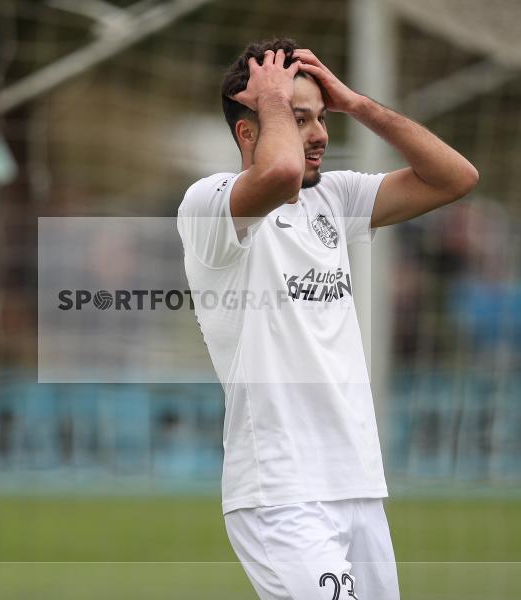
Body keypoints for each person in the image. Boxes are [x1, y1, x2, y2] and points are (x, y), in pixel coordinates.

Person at [176, 38, 478, 600]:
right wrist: (269, 100)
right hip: (281, 492)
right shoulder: (209, 205)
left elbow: (455, 178)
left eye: (321, 118)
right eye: (298, 118)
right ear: (248, 133)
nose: (319, 135)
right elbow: (282, 171)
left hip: (357, 484)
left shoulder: (333, 201)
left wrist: (359, 105)